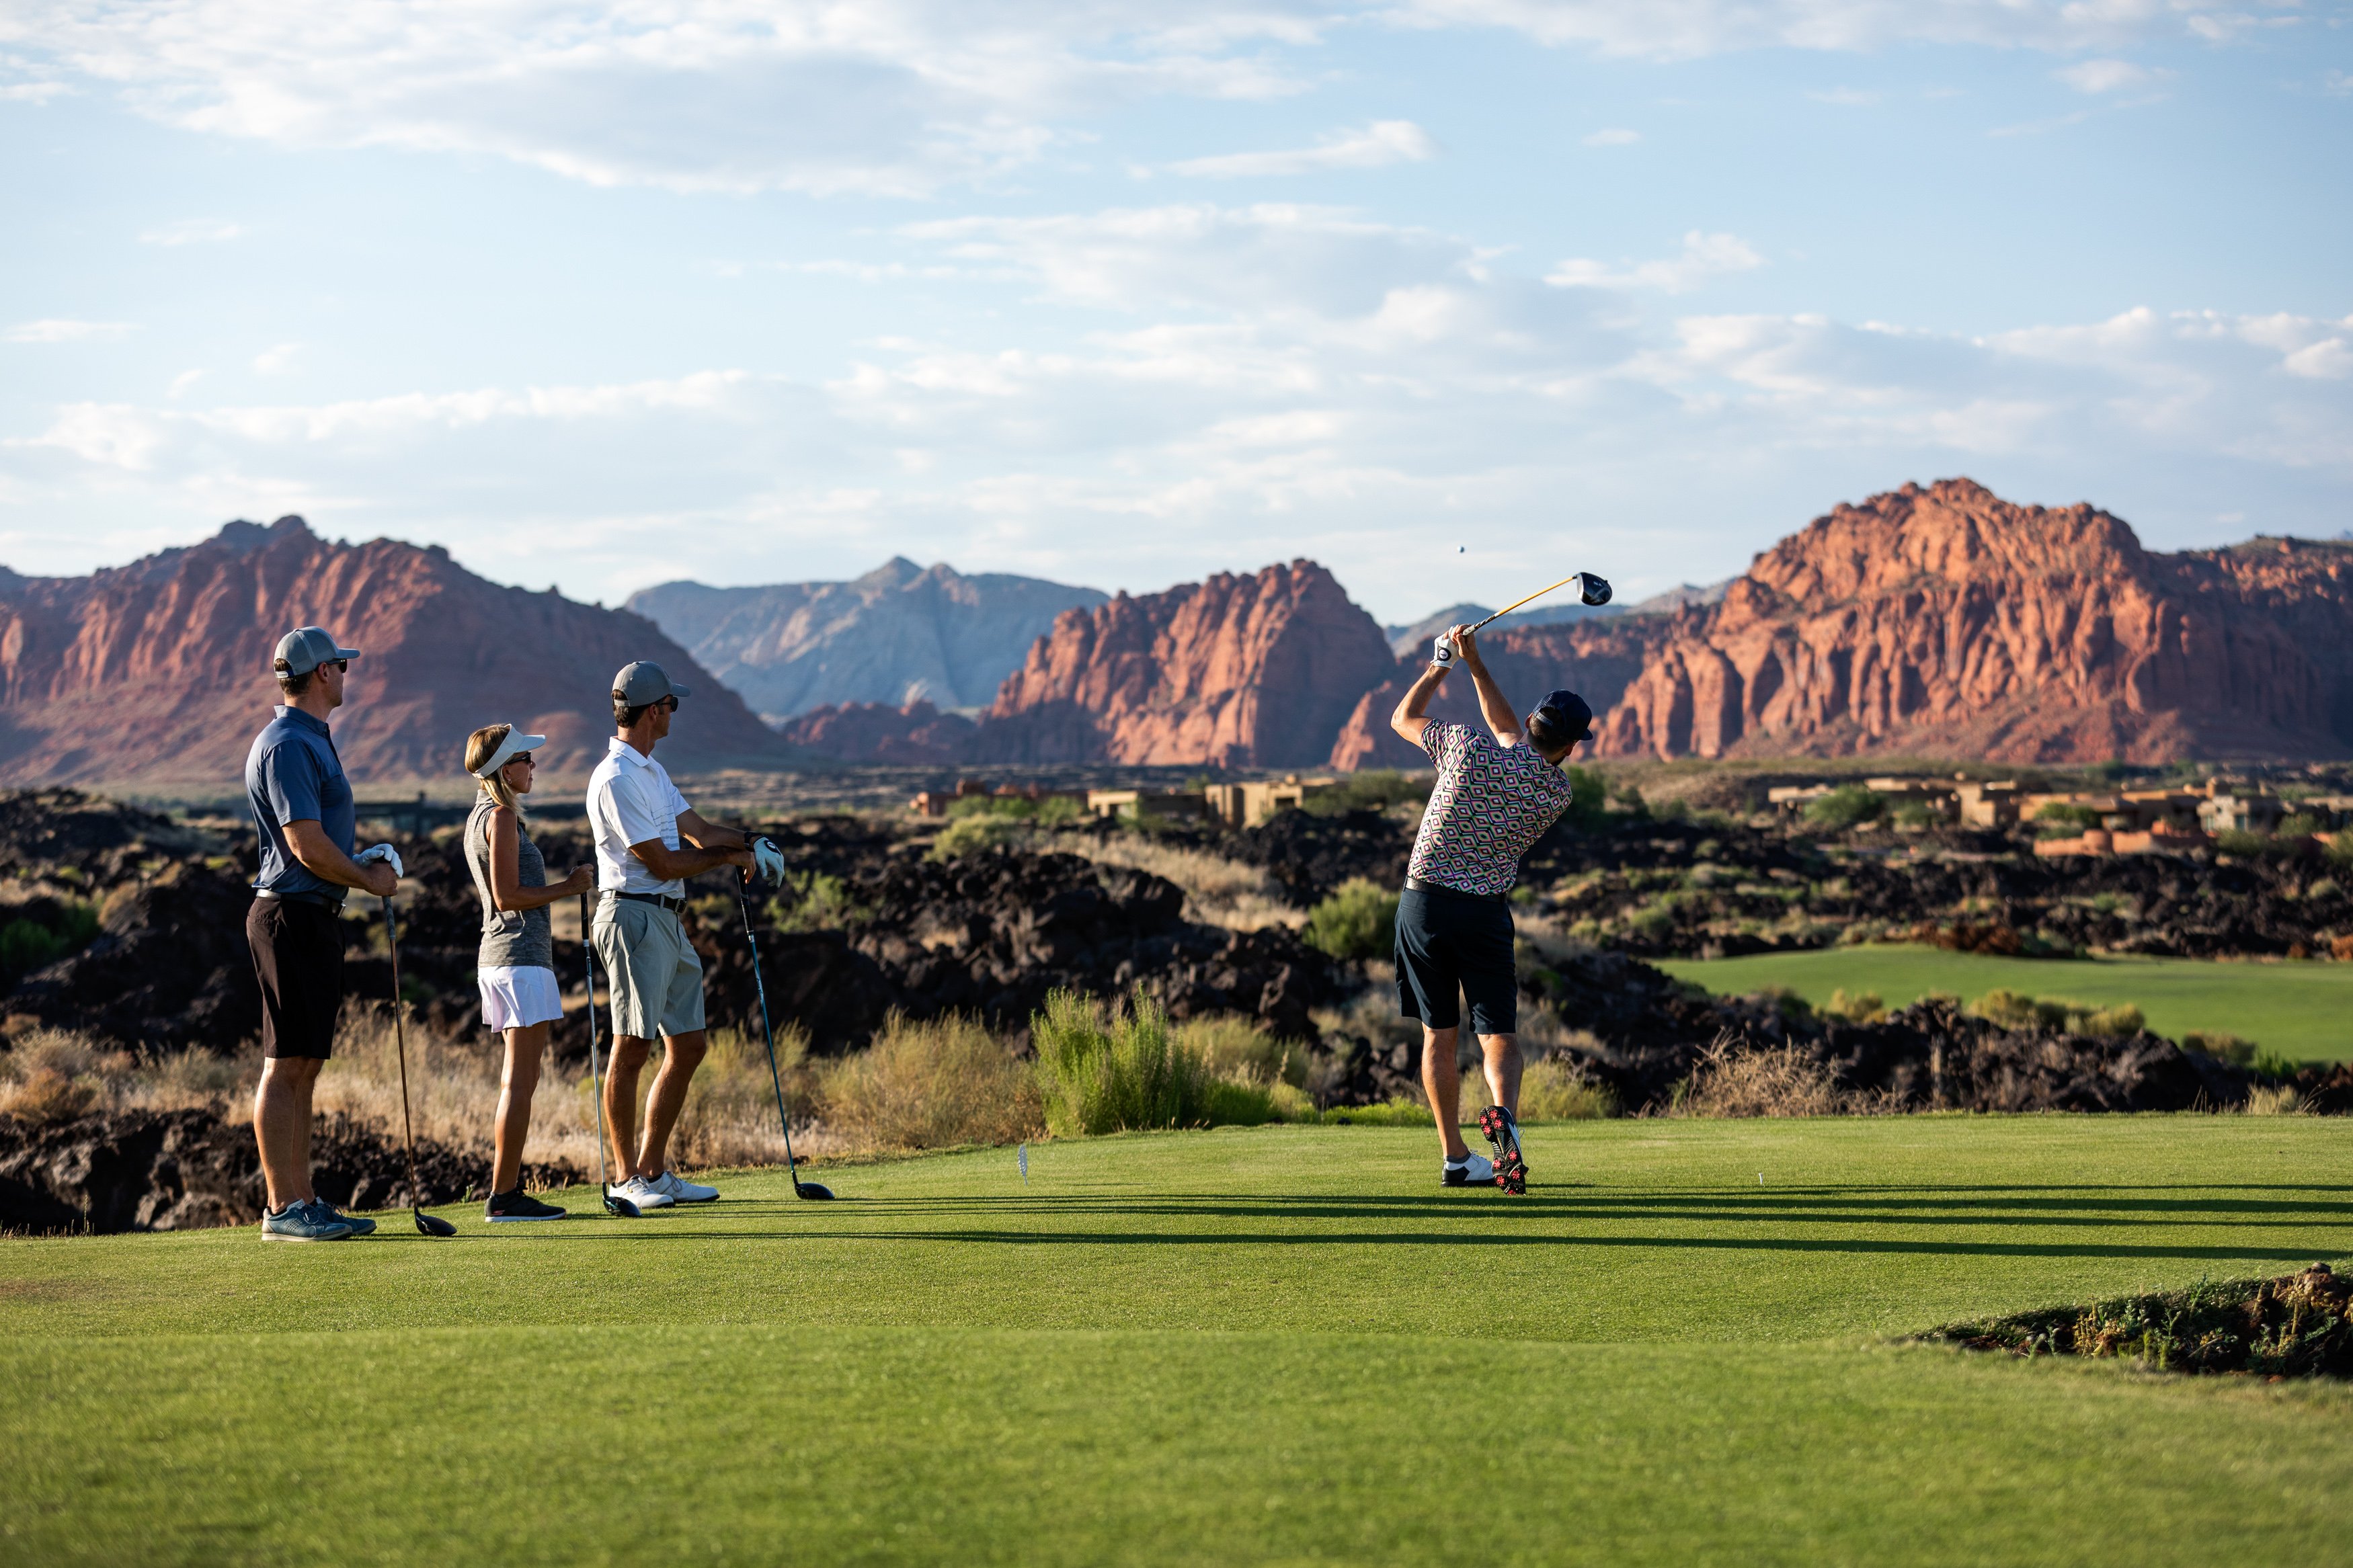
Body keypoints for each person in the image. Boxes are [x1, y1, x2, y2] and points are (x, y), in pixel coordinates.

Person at [1388, 622, 1594, 1196]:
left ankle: (1457, 1158)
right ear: (1571, 747)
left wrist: (1444, 664)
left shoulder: (1464, 745)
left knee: (1439, 1035)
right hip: (1482, 911)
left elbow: (1401, 719)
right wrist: (1475, 664)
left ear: (1531, 723)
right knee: (1497, 1033)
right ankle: (1505, 1119)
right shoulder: (1555, 791)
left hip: (1423, 903)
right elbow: (1512, 735)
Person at [586, 661, 784, 1210]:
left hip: (667, 919)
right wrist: (730, 858)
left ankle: (653, 1168)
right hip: (632, 916)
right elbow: (666, 862)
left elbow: (698, 830)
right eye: (672, 705)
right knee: (631, 1048)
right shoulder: (617, 777)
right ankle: (627, 1180)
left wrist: (751, 839)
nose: (675, 712)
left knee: (689, 1044)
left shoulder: (652, 771)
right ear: (655, 711)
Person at [245, 626, 403, 1241]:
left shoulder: (309, 737)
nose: (347, 672)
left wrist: (357, 864)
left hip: (311, 914)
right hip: (289, 916)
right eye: (341, 664)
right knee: (285, 1064)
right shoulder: (287, 743)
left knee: (305, 1064)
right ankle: (282, 1208)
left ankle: (303, 1198)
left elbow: (316, 842)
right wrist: (366, 876)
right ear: (321, 675)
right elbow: (305, 843)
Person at [462, 723, 597, 1222]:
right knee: (520, 1082)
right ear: (504, 769)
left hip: (506, 959)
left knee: (519, 1080)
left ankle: (507, 1190)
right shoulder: (499, 818)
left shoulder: (485, 817)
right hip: (517, 959)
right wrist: (569, 886)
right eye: (526, 759)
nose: (533, 766)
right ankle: (505, 1194)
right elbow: (508, 896)